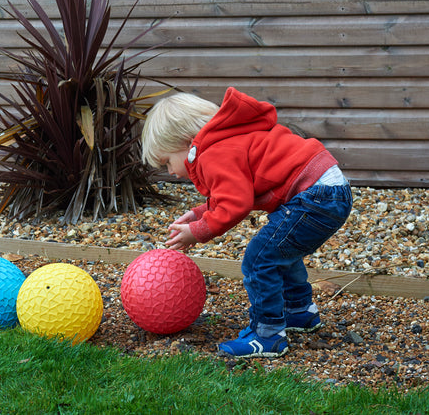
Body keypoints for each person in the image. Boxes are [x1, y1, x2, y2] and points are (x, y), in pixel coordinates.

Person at [141, 87, 352, 358]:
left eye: (166, 161)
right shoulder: (229, 140)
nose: (170, 171)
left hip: (314, 195)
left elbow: (235, 205)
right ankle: (299, 312)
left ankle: (268, 335)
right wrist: (198, 213)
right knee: (281, 250)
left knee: (258, 259)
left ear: (186, 143)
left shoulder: (212, 153)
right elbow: (234, 191)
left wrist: (197, 231)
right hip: (328, 189)